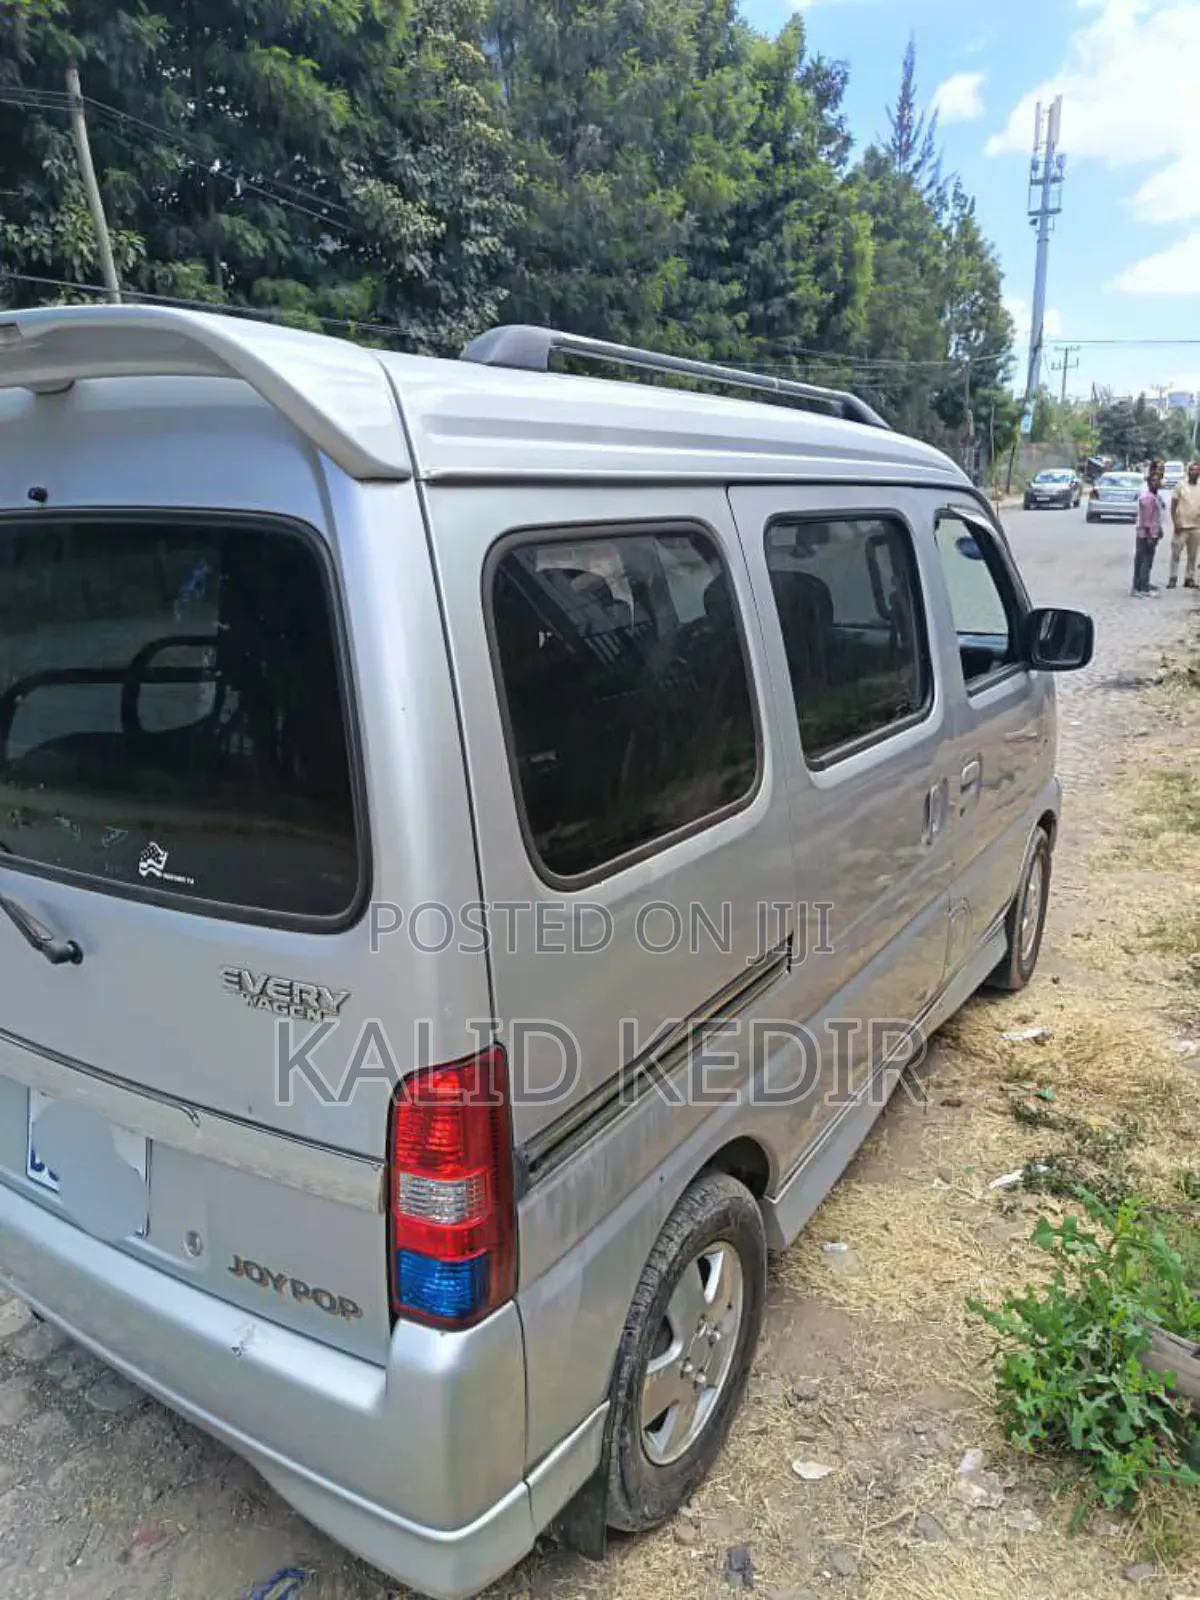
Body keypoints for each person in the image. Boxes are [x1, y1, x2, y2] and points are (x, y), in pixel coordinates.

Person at [1133, 462, 1165, 597]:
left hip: (1150, 533)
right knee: (1145, 560)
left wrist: (1159, 529)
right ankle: (1143, 588)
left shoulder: (1154, 496)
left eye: (1158, 481)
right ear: (1149, 483)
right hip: (1146, 535)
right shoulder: (1148, 497)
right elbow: (1147, 520)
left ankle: (1140, 585)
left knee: (1143, 560)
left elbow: (1156, 516)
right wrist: (1150, 536)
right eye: (1153, 481)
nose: (1157, 483)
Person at [1168, 461, 1200, 589]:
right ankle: (1173, 577)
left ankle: (1189, 578)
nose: (1195, 472)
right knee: (1176, 553)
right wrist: (1175, 522)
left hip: (1196, 526)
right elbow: (1173, 505)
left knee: (1192, 555)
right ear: (1188, 472)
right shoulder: (1180, 485)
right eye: (1193, 470)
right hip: (1181, 526)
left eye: (1197, 470)